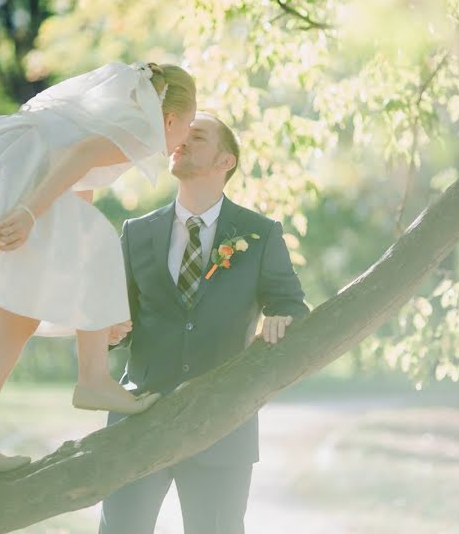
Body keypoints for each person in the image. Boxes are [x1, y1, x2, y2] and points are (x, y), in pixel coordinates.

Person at [0, 62, 197, 473]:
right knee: (98, 239)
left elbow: (75, 212)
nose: (182, 141)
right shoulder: (139, 128)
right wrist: (29, 211)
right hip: (11, 173)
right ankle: (94, 379)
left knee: (18, 320)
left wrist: (97, 319)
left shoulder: (105, 120)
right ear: (169, 116)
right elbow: (80, 162)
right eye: (188, 126)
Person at [99, 112, 309, 534]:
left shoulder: (260, 233)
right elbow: (113, 322)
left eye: (196, 137)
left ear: (224, 162)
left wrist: (278, 319)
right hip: (139, 419)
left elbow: (292, 306)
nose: (181, 142)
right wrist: (106, 332)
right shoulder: (136, 232)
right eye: (179, 136)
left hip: (222, 425)